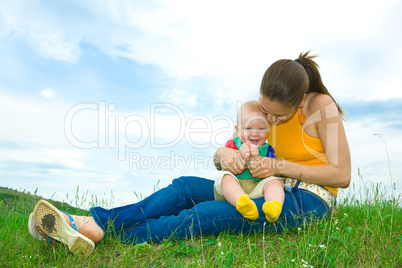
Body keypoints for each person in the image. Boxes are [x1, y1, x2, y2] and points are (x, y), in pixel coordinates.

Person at [29, 51, 351, 256]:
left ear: (298, 103)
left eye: (277, 116)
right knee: (183, 187)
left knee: (205, 216)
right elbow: (230, 147)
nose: (269, 120)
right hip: (255, 182)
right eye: (264, 109)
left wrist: (279, 166)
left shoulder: (320, 107)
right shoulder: (267, 111)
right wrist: (222, 157)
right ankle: (96, 224)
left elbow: (343, 175)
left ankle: (100, 232)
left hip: (306, 200)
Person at [214, 100, 284, 223]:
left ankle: (274, 205)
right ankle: (242, 203)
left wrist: (258, 159)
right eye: (248, 128)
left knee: (275, 182)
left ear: (268, 131)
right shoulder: (233, 143)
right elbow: (225, 164)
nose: (255, 133)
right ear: (238, 129)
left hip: (256, 187)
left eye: (261, 128)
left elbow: (271, 171)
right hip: (234, 187)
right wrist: (240, 155)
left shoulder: (268, 149)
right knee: (225, 177)